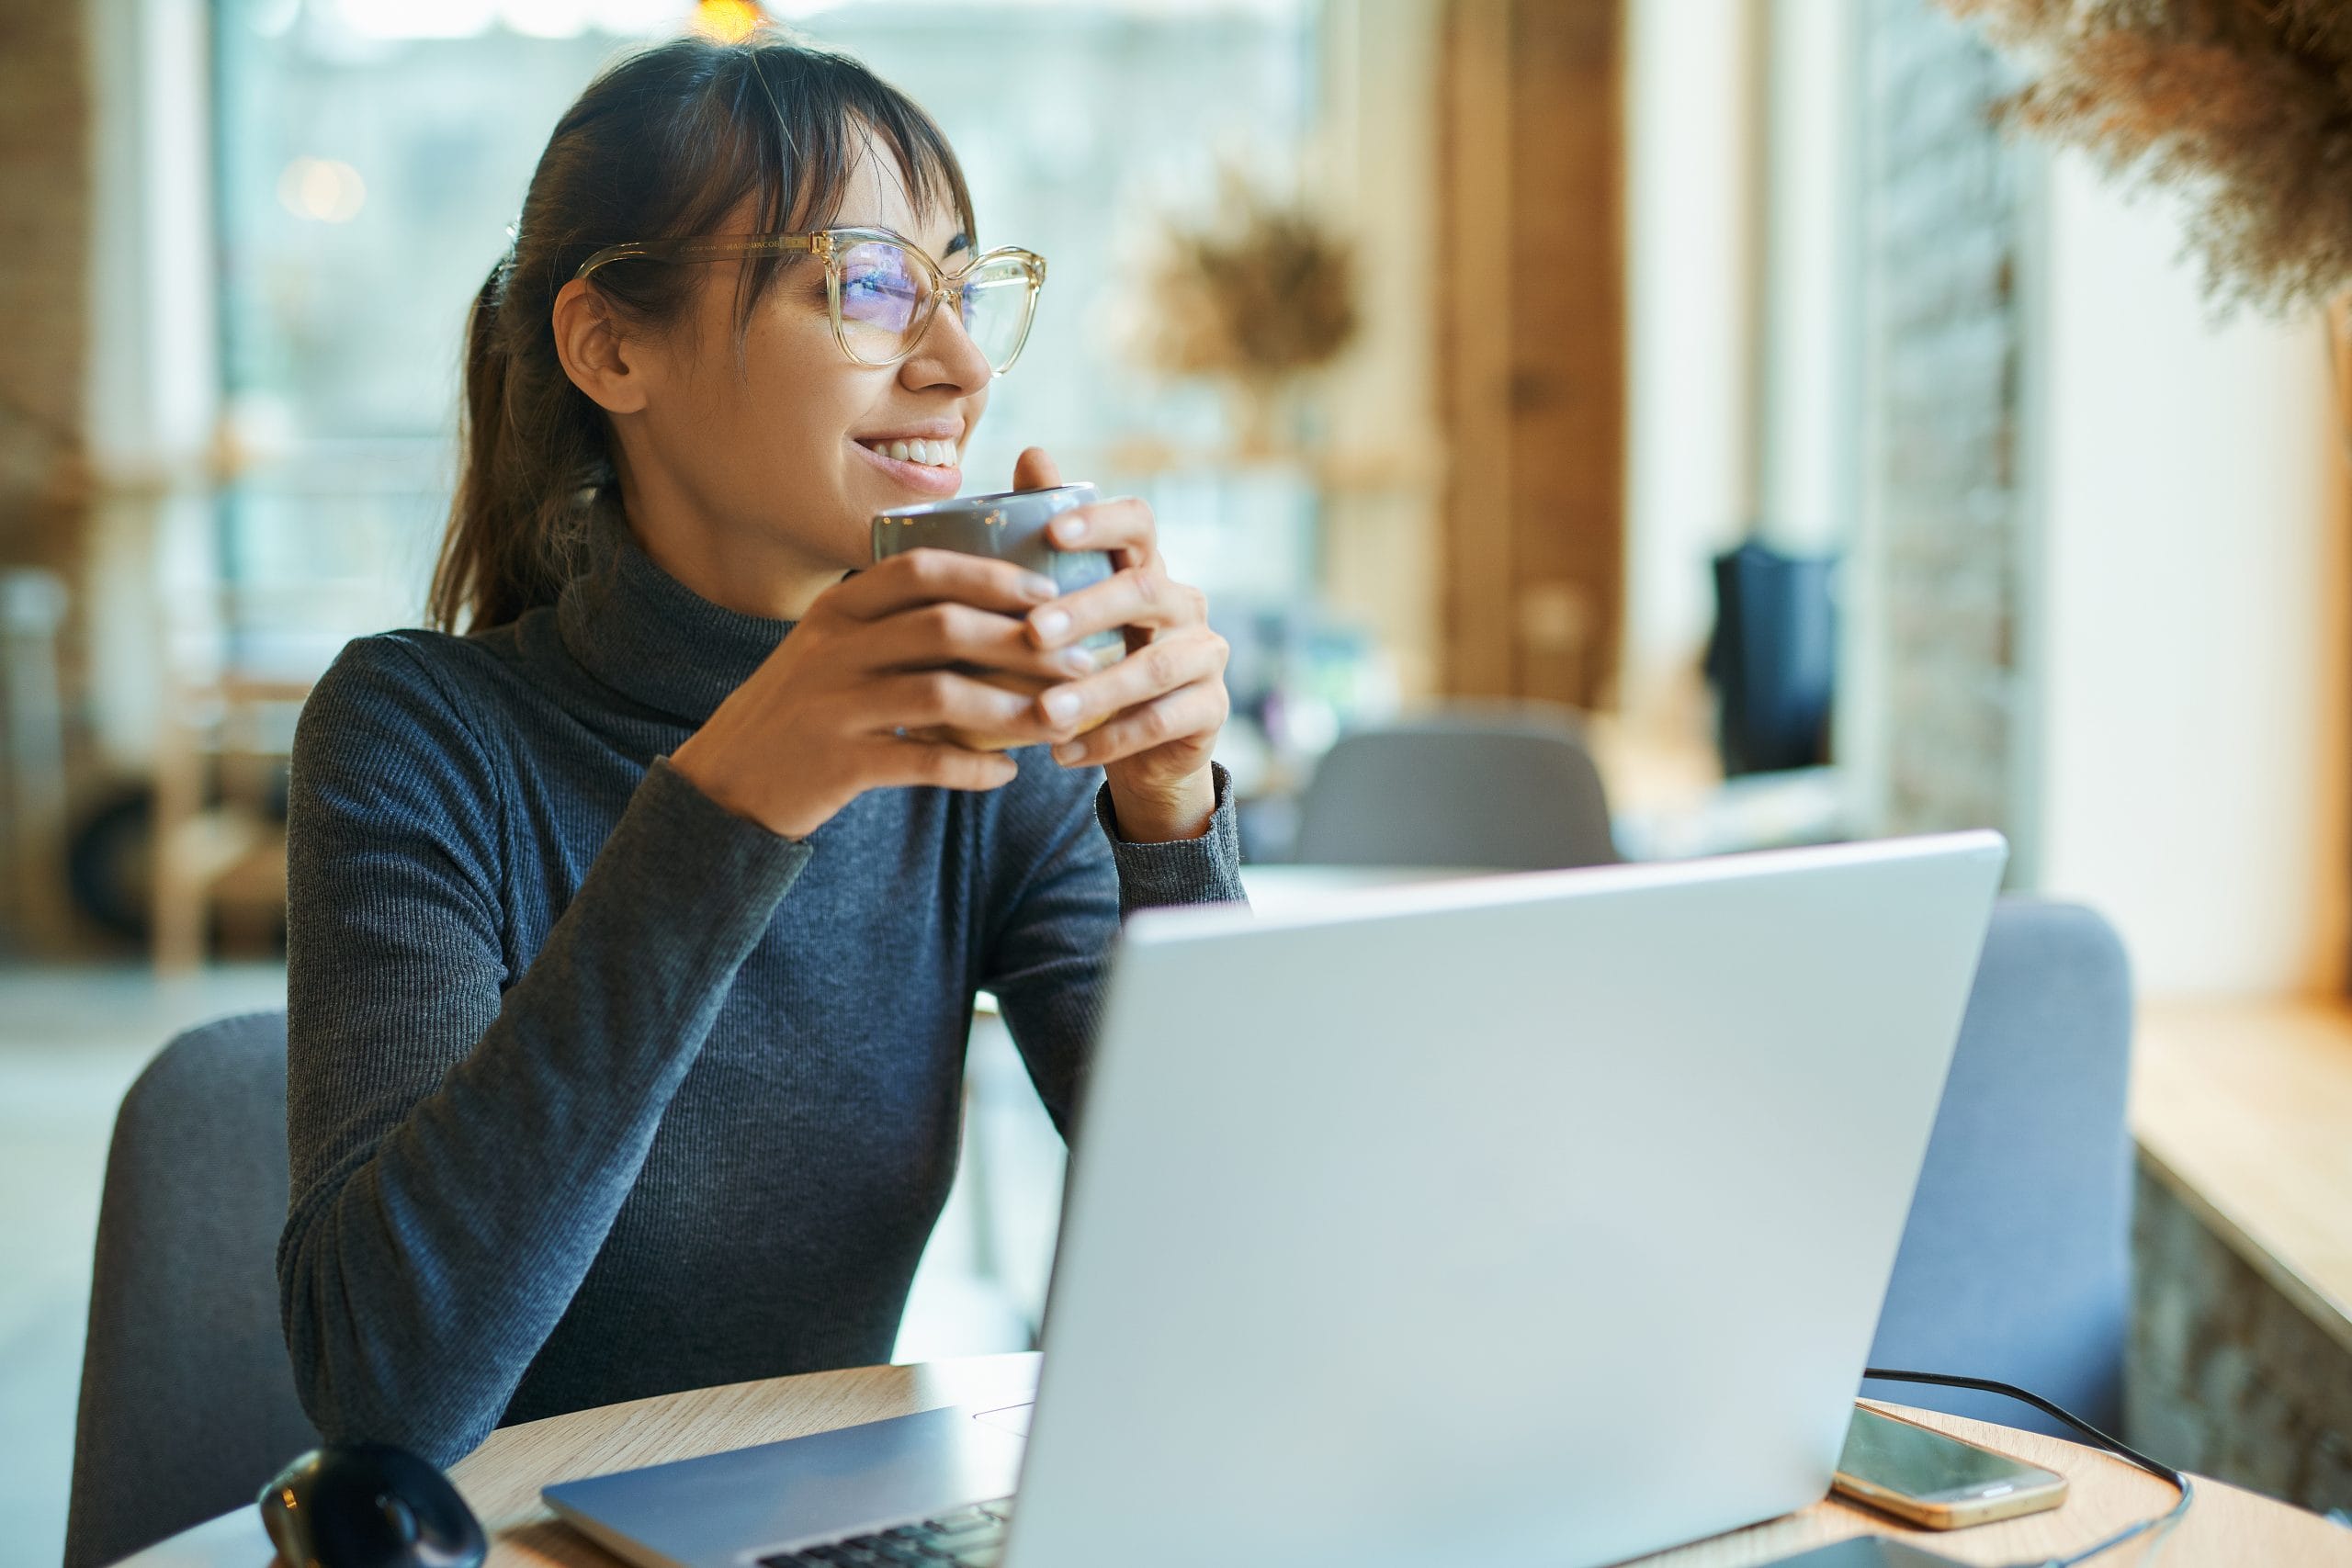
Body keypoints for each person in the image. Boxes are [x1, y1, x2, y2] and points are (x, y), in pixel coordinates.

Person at [277, 32, 1242, 1467]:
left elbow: (1237, 1251)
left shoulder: (990, 758)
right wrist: (741, 799)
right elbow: (388, 1392)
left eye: (965, 291)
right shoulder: (417, 738)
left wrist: (1167, 826)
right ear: (613, 344)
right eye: (866, 286)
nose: (962, 366)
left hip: (825, 1522)